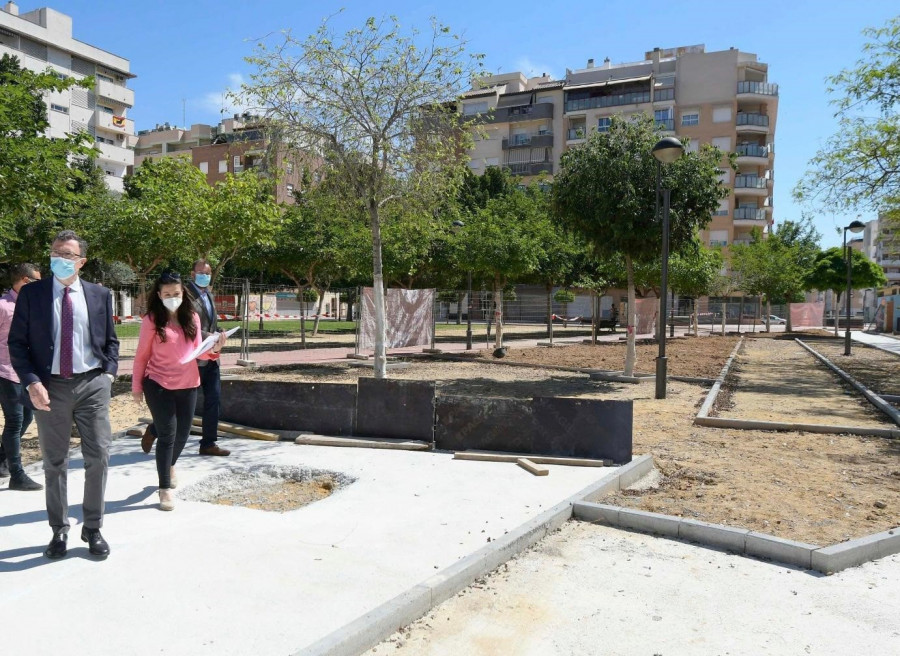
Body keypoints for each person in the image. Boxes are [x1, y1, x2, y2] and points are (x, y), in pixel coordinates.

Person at [8, 230, 119, 559]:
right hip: (49, 387)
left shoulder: (100, 294)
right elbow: (17, 344)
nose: (59, 258)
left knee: (98, 455)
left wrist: (109, 375)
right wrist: (30, 381)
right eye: (55, 253)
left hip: (92, 384)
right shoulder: (33, 295)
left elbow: (111, 341)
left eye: (67, 255)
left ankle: (93, 527)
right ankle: (59, 529)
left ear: (81, 261)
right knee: (55, 462)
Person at [132, 272, 225, 511]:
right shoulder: (151, 320)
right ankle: (164, 489)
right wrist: (136, 388)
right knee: (168, 435)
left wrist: (214, 349)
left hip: (188, 383)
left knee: (182, 435)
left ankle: (169, 462)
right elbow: (141, 356)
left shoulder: (191, 317)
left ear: (183, 293)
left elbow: (198, 353)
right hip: (158, 383)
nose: (172, 297)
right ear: (159, 295)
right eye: (167, 294)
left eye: (176, 293)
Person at [141, 259, 230, 456]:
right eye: (201, 273)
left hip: (211, 356)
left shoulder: (209, 295)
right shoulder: (182, 294)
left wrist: (218, 335)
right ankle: (155, 430)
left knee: (213, 400)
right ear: (192, 274)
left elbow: (208, 325)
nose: (204, 276)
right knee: (181, 410)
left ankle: (208, 443)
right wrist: (211, 338)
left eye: (207, 273)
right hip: (190, 360)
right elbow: (186, 329)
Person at [0, 263, 43, 491]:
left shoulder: (31, 306)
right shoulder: (3, 306)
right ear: (25, 281)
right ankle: (17, 474)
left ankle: (1, 460)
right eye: (37, 280)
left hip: (27, 373)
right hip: (6, 371)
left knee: (27, 419)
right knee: (15, 421)